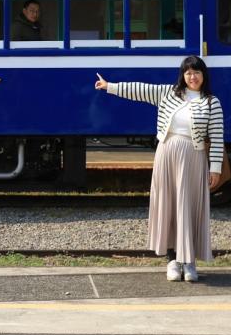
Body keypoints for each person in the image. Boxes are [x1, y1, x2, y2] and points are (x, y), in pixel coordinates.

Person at [94, 56, 224, 282]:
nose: (192, 77)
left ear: (204, 76)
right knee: (169, 207)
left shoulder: (212, 102)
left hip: (193, 158)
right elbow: (141, 90)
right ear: (182, 76)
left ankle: (189, 261)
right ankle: (173, 260)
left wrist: (215, 168)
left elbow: (217, 137)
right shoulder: (168, 93)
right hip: (166, 154)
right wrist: (110, 87)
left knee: (189, 208)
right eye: (188, 73)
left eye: (197, 73)